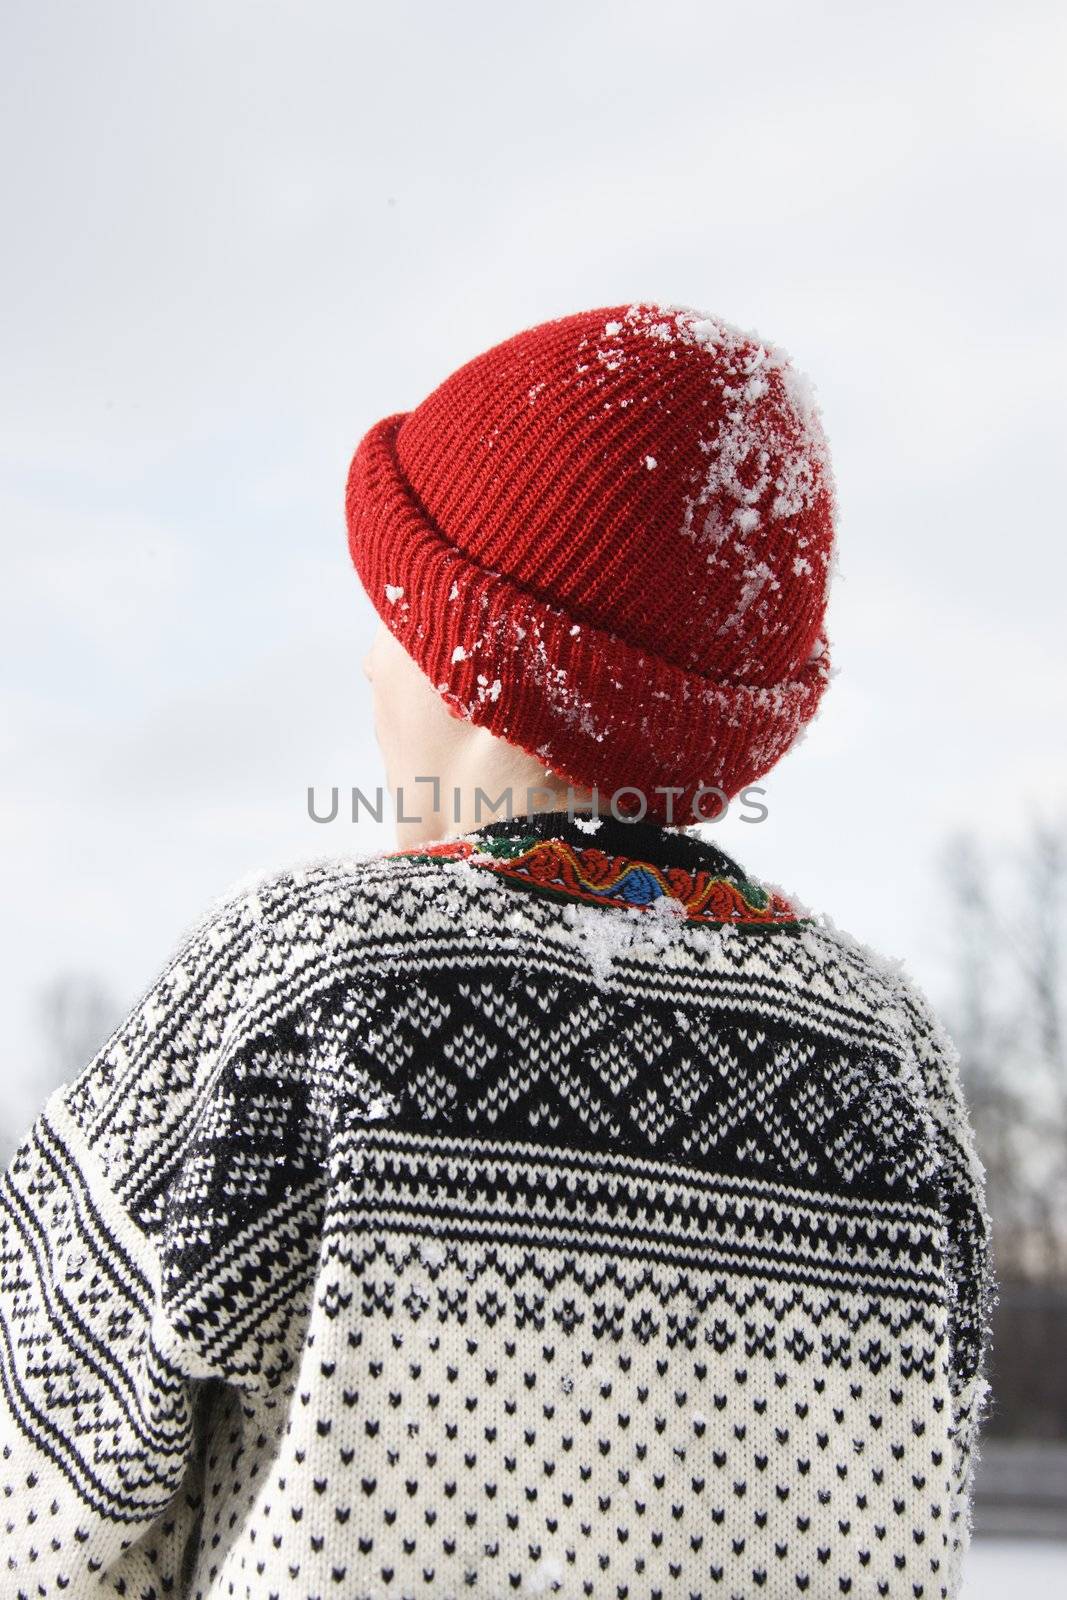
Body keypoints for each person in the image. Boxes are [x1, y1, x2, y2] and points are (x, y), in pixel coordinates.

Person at [0, 303, 992, 1600]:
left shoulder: (313, 986)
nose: (368, 664)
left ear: (472, 655)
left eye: (392, 612)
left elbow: (44, 1486)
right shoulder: (887, 1062)